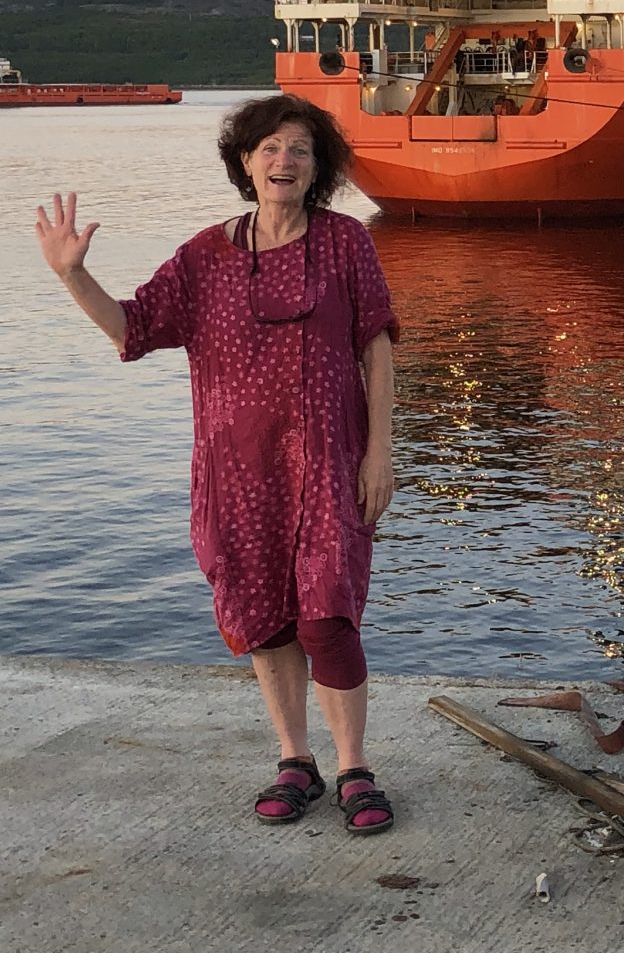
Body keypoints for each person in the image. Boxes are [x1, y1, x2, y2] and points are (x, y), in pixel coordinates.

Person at [34, 95, 400, 836]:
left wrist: (380, 452)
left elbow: (377, 347)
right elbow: (133, 329)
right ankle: (295, 760)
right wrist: (73, 276)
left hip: (330, 462)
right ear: (244, 162)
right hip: (238, 471)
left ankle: (355, 766)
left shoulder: (345, 245)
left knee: (327, 614)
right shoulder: (207, 254)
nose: (283, 161)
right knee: (263, 616)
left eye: (299, 149)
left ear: (317, 167)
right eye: (268, 148)